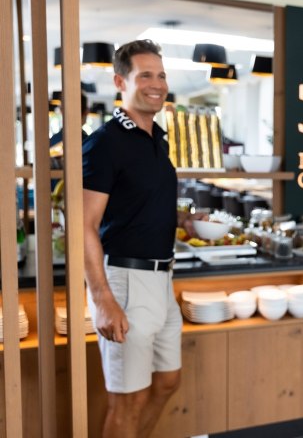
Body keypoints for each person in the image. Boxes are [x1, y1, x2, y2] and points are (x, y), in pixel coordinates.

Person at [83, 39, 182, 437]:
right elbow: (84, 225)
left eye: (160, 75)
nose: (156, 84)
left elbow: (139, 204)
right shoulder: (105, 142)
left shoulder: (157, 139)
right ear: (120, 82)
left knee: (167, 382)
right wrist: (103, 299)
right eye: (145, 75)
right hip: (125, 281)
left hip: (163, 280)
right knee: (128, 400)